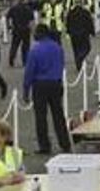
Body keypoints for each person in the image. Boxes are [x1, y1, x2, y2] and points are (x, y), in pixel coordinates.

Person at [23, 24, 70, 154]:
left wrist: (26, 89)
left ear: (39, 34)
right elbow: (61, 65)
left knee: (41, 117)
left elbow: (29, 72)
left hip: (40, 85)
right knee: (58, 115)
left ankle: (45, 145)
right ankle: (64, 143)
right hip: (55, 83)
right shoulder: (58, 48)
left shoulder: (35, 50)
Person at [64, 0, 96, 72]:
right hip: (84, 34)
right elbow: (89, 22)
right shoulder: (85, 12)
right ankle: (80, 59)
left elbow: (68, 23)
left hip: (74, 34)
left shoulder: (71, 12)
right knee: (87, 48)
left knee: (76, 50)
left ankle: (78, 65)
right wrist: (92, 32)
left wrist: (68, 32)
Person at [6, 0, 34, 67]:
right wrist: (31, 29)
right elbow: (31, 20)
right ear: (24, 0)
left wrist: (9, 26)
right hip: (26, 30)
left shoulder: (13, 8)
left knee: (14, 46)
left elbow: (8, 17)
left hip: (16, 29)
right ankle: (25, 61)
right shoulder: (28, 8)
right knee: (26, 47)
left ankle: (11, 59)